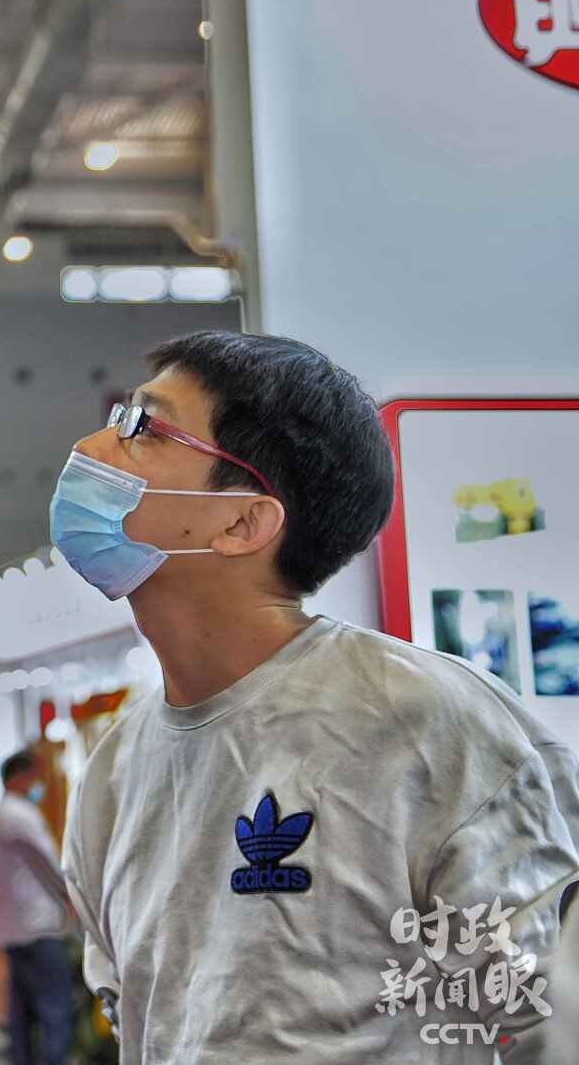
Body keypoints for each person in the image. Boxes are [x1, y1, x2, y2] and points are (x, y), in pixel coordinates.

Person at [56, 331, 579, 1062]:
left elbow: (549, 1021)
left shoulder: (424, 722)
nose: (93, 448)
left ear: (243, 522)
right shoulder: (116, 768)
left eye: (144, 427)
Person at [0, 749, 78, 1065]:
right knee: (55, 1004)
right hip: (36, 924)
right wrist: (73, 894)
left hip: (13, 924)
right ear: (19, 778)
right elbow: (50, 862)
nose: (39, 783)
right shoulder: (21, 815)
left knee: (22, 1010)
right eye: (34, 776)